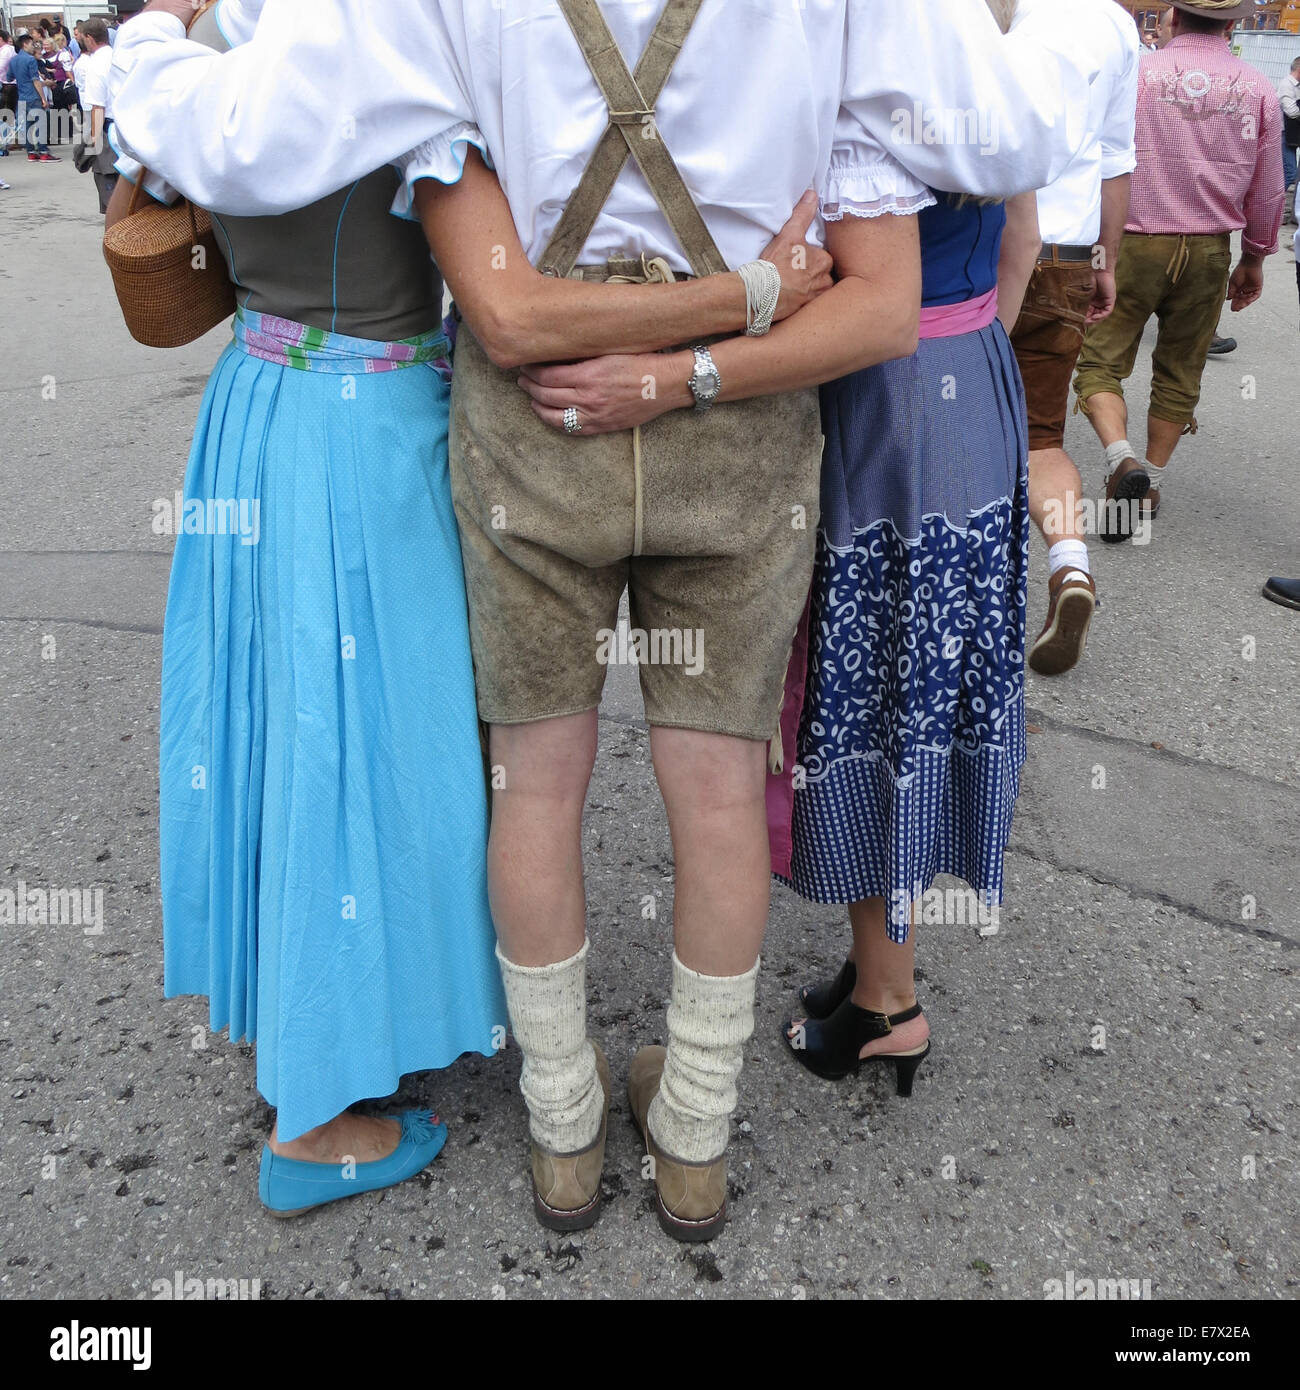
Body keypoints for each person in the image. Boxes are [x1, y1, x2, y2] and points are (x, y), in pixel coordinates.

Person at [111, 0, 1094, 1245]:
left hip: (541, 422)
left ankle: (563, 1131)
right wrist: (732, 311)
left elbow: (472, 284)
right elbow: (998, 160)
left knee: (535, 786)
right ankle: (690, 1140)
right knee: (720, 790)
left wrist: (136, 53)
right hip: (737, 435)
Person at [1074, 0, 1284, 540]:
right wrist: (1255, 257)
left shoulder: (1137, 75)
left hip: (1131, 241)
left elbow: (1096, 158)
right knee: (1180, 369)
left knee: (1099, 361)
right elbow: (1268, 186)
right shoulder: (1258, 88)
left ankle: (1122, 460)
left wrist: (1092, 249)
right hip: (1209, 250)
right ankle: (1150, 483)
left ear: (1171, 17)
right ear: (1234, 24)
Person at [1009, 0, 1139, 676]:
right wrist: (1105, 263)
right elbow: (1116, 163)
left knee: (943, 432)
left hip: (981, 249)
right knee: (1041, 439)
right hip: (1065, 257)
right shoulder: (1115, 25)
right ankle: (1070, 565)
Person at [79, 19, 116, 211]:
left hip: (109, 132)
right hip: (127, 128)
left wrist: (93, 143)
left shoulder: (96, 64)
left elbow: (98, 108)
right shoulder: (118, 56)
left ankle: (117, 237)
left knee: (111, 196)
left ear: (89, 38)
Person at [10, 33, 56, 162]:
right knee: (40, 124)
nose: (33, 47)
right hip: (33, 96)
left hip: (22, 96)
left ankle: (30, 152)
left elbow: (9, 77)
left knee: (27, 125)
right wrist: (43, 98)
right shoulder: (30, 59)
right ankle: (43, 152)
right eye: (31, 44)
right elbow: (36, 80)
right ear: (25, 44)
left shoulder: (13, 60)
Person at [1280, 57, 1299, 226]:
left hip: (1293, 135)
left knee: (1294, 175)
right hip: (1284, 135)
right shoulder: (1287, 85)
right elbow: (1292, 111)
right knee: (1290, 173)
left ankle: (1289, 212)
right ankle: (1273, 207)